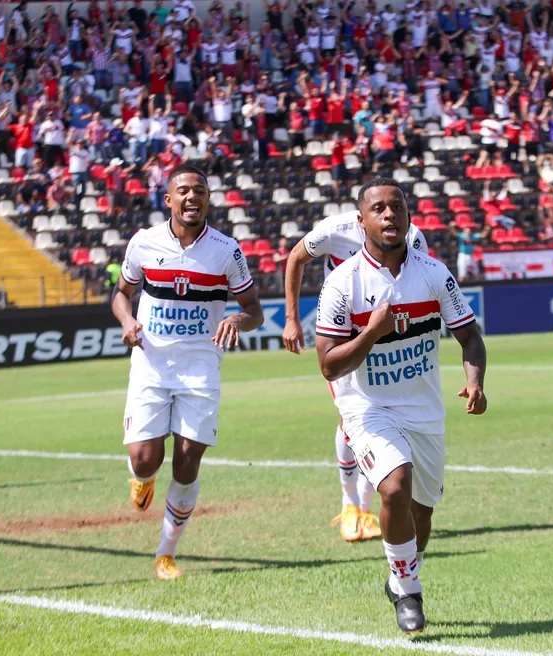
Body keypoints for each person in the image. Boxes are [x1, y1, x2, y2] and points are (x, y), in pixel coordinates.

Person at [313, 177, 487, 633]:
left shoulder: (433, 273)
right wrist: (371, 331)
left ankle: (399, 576)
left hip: (424, 410)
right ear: (361, 220)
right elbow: (329, 366)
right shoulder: (342, 283)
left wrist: (475, 381)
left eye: (397, 207)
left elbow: (469, 335)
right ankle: (410, 594)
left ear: (409, 216)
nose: (389, 215)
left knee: (421, 513)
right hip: (367, 408)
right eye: (379, 209)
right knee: (394, 487)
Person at [111, 164, 264, 579]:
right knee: (146, 460)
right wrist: (127, 323)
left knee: (186, 462)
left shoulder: (226, 250)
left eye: (199, 190)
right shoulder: (143, 243)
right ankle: (140, 478)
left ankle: (166, 553)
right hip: (151, 361)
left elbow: (254, 311)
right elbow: (121, 296)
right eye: (183, 191)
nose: (191, 197)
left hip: (201, 365)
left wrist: (236, 320)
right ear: (169, 199)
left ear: (208, 198)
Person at [282, 209, 428, 543]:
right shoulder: (336, 230)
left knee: (387, 417)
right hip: (344, 338)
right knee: (353, 418)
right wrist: (291, 318)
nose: (389, 214)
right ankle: (353, 507)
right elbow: (295, 258)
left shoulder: (413, 238)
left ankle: (363, 509)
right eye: (379, 206)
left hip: (389, 339)